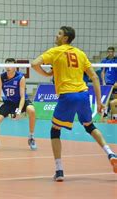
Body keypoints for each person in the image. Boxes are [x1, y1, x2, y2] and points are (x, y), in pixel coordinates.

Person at [31, 26, 116, 181]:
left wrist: (48, 73)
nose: (56, 36)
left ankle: (59, 170)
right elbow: (95, 78)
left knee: (55, 131)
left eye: (59, 34)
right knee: (90, 126)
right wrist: (99, 101)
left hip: (68, 96)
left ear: (65, 38)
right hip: (84, 94)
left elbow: (34, 64)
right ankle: (110, 153)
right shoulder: (80, 53)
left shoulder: (56, 51)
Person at [0, 58, 37, 151]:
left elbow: (22, 97)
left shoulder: (20, 77)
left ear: (15, 67)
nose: (8, 67)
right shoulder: (1, 77)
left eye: (10, 65)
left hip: (21, 101)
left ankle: (31, 137)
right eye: (7, 65)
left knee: (32, 110)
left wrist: (18, 111)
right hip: (9, 102)